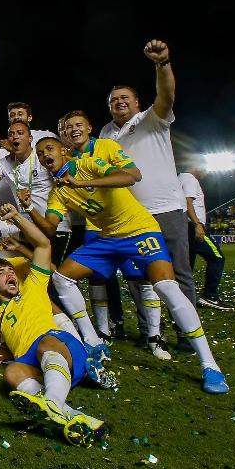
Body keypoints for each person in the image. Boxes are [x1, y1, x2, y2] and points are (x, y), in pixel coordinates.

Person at [35, 136, 228, 393]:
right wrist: (26, 208)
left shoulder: (89, 165)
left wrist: (83, 182)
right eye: (40, 153)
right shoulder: (58, 192)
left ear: (63, 150)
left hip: (140, 230)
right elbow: (49, 227)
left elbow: (130, 177)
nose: (44, 154)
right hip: (108, 238)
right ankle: (92, 340)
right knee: (62, 278)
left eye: (49, 148)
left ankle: (210, 365)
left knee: (167, 288)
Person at [0, 203, 107, 447]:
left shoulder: (33, 286)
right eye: (1, 273)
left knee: (44, 345)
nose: (9, 274)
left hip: (59, 347)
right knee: (11, 373)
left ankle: (50, 403)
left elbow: (43, 245)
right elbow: (8, 346)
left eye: (10, 271)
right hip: (31, 359)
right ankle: (73, 417)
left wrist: (16, 217)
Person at [58, 110, 169, 357]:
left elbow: (132, 175)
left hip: (128, 225)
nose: (73, 130)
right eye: (68, 127)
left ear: (89, 127)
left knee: (140, 278)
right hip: (95, 226)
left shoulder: (106, 146)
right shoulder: (66, 158)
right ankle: (102, 331)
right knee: (97, 279)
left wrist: (89, 182)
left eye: (78, 125)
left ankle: (153, 335)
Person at [98, 40, 199, 309]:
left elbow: (167, 95)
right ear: (108, 106)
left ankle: (186, 335)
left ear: (137, 102)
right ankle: (151, 334)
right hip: (130, 214)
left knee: (178, 274)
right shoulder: (105, 133)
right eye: (113, 100)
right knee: (137, 276)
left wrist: (162, 64)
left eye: (124, 98)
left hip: (165, 208)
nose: (119, 102)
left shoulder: (151, 119)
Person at [0, 120, 71, 262]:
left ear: (30, 138)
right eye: (11, 134)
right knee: (36, 272)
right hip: (28, 228)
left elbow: (67, 170)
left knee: (56, 276)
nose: (15, 137)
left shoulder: (42, 157)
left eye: (20, 133)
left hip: (55, 226)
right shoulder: (6, 162)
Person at [179, 169, 230, 310]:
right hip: (192, 226)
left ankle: (183, 298)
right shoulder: (190, 179)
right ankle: (210, 296)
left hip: (184, 226)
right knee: (217, 258)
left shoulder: (181, 178)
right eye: (204, 168)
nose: (206, 172)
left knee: (187, 265)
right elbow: (188, 202)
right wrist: (197, 224)